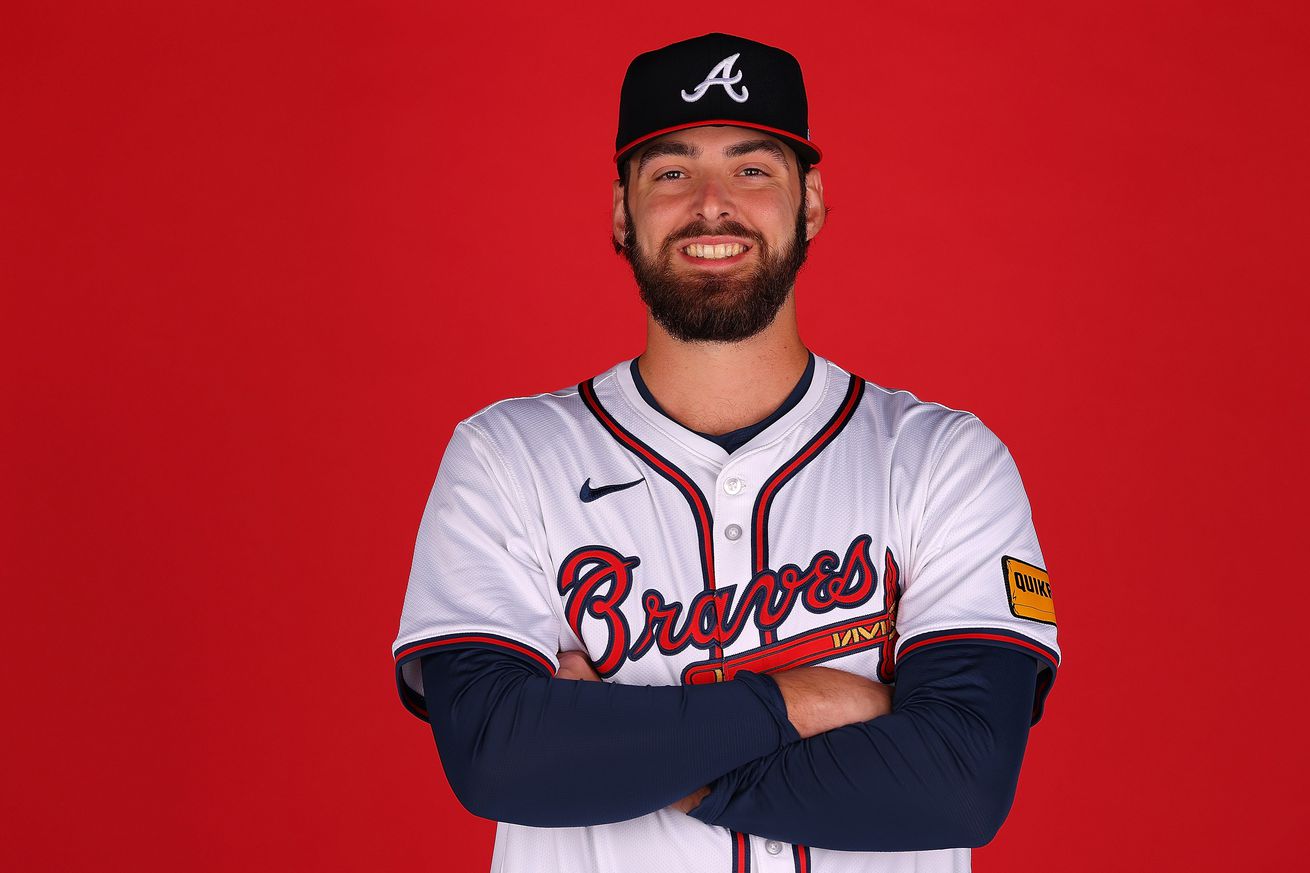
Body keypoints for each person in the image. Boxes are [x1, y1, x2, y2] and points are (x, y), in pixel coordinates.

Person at [391, 32, 1059, 873]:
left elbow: (959, 781)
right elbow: (499, 756)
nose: (713, 204)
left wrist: (628, 751)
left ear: (809, 203)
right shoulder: (506, 457)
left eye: (753, 169)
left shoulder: (943, 462)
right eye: (671, 172)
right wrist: (803, 699)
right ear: (620, 212)